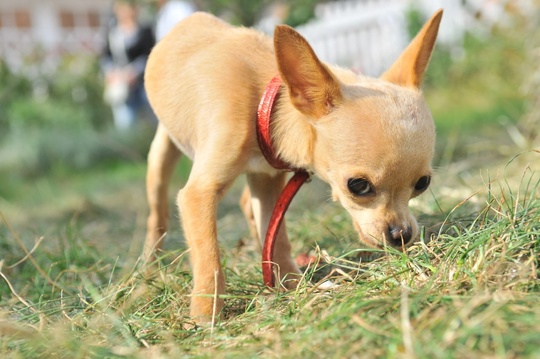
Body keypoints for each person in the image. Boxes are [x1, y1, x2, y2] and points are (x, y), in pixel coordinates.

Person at [101, 0, 155, 130]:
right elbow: (106, 56)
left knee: (153, 122)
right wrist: (110, 72)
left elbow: (149, 55)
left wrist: (134, 72)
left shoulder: (145, 31)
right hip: (123, 87)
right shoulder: (113, 33)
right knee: (126, 125)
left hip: (143, 85)